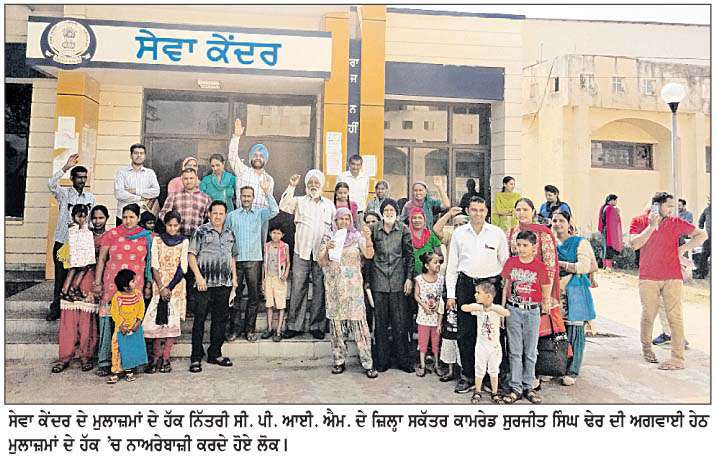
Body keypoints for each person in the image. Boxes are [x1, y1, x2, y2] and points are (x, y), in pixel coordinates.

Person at [630, 192, 706, 370]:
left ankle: (678, 358)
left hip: (673, 276)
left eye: (673, 206)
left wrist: (682, 249)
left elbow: (702, 235)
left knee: (675, 317)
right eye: (669, 206)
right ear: (656, 206)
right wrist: (651, 227)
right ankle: (647, 348)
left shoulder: (676, 222)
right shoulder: (639, 221)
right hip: (648, 277)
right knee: (648, 314)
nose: (672, 209)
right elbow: (634, 244)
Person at [446, 196, 509, 394]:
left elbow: (506, 265)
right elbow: (452, 266)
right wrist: (451, 295)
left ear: (487, 211)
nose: (478, 214)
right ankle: (467, 376)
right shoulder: (459, 234)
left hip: (490, 287)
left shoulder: (497, 233)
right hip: (466, 286)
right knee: (466, 333)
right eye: (474, 210)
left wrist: (504, 294)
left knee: (492, 334)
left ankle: (493, 377)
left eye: (481, 210)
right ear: (468, 211)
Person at [317, 208, 378, 378]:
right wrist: (326, 249)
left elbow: (369, 255)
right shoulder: (329, 237)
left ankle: (367, 363)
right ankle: (339, 361)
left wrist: (368, 238)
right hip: (335, 289)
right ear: (335, 221)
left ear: (351, 220)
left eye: (347, 219)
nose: (344, 222)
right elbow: (321, 262)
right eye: (340, 219)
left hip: (353, 289)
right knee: (337, 326)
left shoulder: (357, 237)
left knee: (359, 325)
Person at [92, 204, 151, 377]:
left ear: (138, 218)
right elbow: (102, 260)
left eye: (132, 217)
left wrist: (148, 285)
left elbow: (149, 263)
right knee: (107, 323)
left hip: (134, 288)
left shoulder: (146, 236)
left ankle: (130, 362)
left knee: (131, 325)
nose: (128, 220)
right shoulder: (112, 234)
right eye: (125, 217)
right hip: (111, 286)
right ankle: (105, 361)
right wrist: (97, 283)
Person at [279, 170, 336, 340]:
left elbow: (334, 229)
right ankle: (294, 326)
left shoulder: (329, 205)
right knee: (298, 288)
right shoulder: (299, 201)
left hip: (321, 254)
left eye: (316, 182)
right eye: (310, 182)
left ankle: (317, 326)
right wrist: (291, 186)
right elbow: (284, 205)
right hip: (301, 251)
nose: (313, 185)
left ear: (322, 185)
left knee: (319, 288)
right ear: (306, 185)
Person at [51, 205, 107, 374]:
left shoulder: (110, 236)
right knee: (69, 320)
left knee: (86, 322)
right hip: (74, 276)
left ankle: (85, 356)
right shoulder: (80, 233)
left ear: (107, 218)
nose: (97, 221)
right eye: (94, 217)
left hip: (92, 279)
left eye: (101, 218)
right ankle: (64, 357)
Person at [500, 230, 552, 404]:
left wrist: (545, 302)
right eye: (519, 245)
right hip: (513, 310)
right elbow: (506, 286)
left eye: (525, 245)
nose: (521, 249)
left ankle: (528, 385)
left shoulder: (539, 266)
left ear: (534, 247)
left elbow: (545, 286)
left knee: (530, 351)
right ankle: (516, 387)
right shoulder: (511, 262)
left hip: (532, 311)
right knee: (515, 350)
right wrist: (503, 309)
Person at [188, 201, 239, 373]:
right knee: (199, 320)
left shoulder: (230, 233)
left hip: (224, 284)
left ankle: (215, 354)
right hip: (204, 284)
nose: (217, 216)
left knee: (220, 320)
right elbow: (191, 255)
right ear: (209, 214)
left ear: (225, 215)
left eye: (221, 213)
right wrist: (198, 277)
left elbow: (232, 257)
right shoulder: (200, 231)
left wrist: (234, 279)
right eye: (214, 213)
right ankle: (196, 357)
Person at [225, 181, 279, 342]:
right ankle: (235, 329)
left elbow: (275, 210)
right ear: (239, 197)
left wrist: (267, 192)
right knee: (235, 296)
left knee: (253, 297)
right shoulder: (232, 216)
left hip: (254, 260)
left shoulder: (259, 214)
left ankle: (249, 330)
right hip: (236, 261)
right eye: (244, 196)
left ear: (253, 198)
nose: (246, 199)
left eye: (249, 196)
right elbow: (226, 237)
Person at [47, 153, 96, 321]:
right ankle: (55, 308)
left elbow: (91, 220)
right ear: (72, 178)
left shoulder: (90, 198)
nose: (82, 180)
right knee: (60, 276)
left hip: (80, 242)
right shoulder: (64, 193)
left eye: (84, 177)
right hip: (63, 241)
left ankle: (70, 311)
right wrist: (66, 167)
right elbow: (50, 184)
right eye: (79, 177)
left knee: (76, 276)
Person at [369, 198, 415, 373]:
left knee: (399, 323)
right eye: (386, 210)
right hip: (379, 281)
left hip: (398, 281)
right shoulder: (374, 229)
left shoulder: (403, 229)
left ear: (396, 212)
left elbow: (410, 256)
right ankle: (382, 361)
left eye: (392, 210)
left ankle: (403, 361)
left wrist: (409, 278)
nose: (389, 213)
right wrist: (368, 283)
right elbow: (368, 256)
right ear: (382, 212)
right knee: (380, 324)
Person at [552, 210, 598, 386]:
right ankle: (557, 367)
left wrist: (562, 265)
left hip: (575, 290)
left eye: (561, 220)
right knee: (558, 330)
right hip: (556, 291)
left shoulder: (580, 242)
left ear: (569, 223)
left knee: (576, 331)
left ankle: (573, 370)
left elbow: (584, 267)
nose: (557, 224)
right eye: (554, 220)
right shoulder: (551, 243)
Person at [142, 211, 189, 374]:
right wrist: (162, 287)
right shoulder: (157, 240)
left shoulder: (184, 241)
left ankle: (166, 358)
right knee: (158, 324)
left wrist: (169, 287)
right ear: (165, 225)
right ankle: (155, 358)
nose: (172, 228)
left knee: (172, 323)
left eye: (176, 225)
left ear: (180, 225)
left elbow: (183, 267)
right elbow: (154, 265)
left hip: (176, 287)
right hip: (159, 285)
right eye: (169, 225)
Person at [461, 281, 510, 404]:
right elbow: (464, 307)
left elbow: (507, 313)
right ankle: (478, 391)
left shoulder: (496, 309)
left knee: (494, 369)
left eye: (478, 293)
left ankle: (495, 392)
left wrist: (492, 308)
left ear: (488, 296)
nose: (475, 295)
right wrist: (479, 307)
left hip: (494, 347)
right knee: (479, 368)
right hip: (481, 346)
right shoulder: (479, 309)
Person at [508, 197, 560, 308]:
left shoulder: (543, 233)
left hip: (538, 287)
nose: (522, 213)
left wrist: (546, 298)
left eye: (525, 210)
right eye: (518, 210)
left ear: (533, 211)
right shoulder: (511, 233)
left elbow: (550, 267)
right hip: (516, 289)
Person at [107, 269, 147, 384]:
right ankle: (115, 371)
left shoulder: (138, 294)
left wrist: (138, 322)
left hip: (134, 327)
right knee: (117, 348)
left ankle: (129, 370)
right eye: (132, 281)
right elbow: (115, 312)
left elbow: (141, 308)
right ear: (125, 286)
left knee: (130, 348)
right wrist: (121, 325)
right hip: (121, 329)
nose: (135, 282)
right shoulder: (117, 297)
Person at [229, 142, 275, 243]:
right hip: (243, 217)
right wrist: (236, 137)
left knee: (259, 249)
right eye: (255, 155)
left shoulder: (269, 179)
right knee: (240, 247)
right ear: (250, 158)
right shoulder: (242, 172)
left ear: (265, 159)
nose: (258, 158)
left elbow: (270, 203)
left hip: (261, 220)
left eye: (261, 156)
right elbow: (232, 157)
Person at [413, 252, 444, 377]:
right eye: (435, 262)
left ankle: (436, 364)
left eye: (439, 262)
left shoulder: (441, 279)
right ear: (426, 265)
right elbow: (416, 295)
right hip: (423, 316)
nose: (438, 264)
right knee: (423, 341)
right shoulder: (419, 279)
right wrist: (424, 306)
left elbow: (441, 295)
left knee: (436, 342)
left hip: (436, 317)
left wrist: (438, 304)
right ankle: (422, 365)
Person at [114, 143, 160, 226]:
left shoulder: (150, 173)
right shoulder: (121, 172)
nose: (139, 155)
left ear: (145, 156)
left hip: (143, 217)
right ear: (131, 155)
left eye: (141, 153)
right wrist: (141, 198)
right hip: (123, 217)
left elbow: (156, 192)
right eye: (136, 153)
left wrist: (136, 191)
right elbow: (119, 194)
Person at [159, 168, 211, 239]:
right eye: (186, 178)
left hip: (197, 237)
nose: (189, 181)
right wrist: (172, 224)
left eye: (191, 178)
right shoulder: (174, 196)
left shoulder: (205, 198)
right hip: (177, 237)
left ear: (196, 179)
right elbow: (163, 213)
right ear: (182, 180)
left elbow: (210, 219)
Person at [60, 204, 96, 301]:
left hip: (81, 255)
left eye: (84, 217)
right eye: (79, 217)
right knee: (72, 270)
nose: (82, 219)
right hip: (73, 254)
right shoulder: (73, 227)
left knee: (82, 269)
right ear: (73, 216)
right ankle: (65, 290)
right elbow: (74, 242)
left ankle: (73, 288)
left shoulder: (84, 227)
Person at [262, 223, 290, 341]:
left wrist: (285, 274)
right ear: (270, 233)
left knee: (280, 304)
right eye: (274, 233)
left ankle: (278, 331)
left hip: (279, 279)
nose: (276, 235)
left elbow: (288, 262)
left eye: (279, 233)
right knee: (269, 304)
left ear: (282, 235)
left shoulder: (285, 246)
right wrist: (263, 280)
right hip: (269, 278)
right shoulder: (267, 246)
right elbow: (264, 264)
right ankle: (269, 328)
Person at [362, 211, 381, 331]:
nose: (370, 224)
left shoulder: (383, 237)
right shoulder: (360, 239)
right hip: (365, 277)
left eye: (373, 221)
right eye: (368, 222)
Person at [598, 194, 623, 270]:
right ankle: (608, 266)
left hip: (604, 230)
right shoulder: (610, 208)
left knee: (604, 247)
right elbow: (614, 221)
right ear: (612, 200)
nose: (616, 202)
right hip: (609, 231)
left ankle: (604, 265)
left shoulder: (604, 207)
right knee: (609, 248)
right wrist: (618, 213)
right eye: (615, 200)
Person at [694, 199, 711, 279]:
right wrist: (701, 230)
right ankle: (701, 273)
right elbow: (701, 221)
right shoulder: (706, 210)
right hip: (708, 237)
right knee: (704, 254)